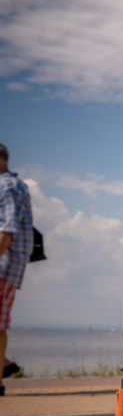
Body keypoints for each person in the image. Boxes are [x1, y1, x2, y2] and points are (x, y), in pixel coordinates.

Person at [0, 143, 32, 396]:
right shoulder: (15, 185)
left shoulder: (6, 185)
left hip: (3, 262)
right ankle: (5, 366)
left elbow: (7, 230)